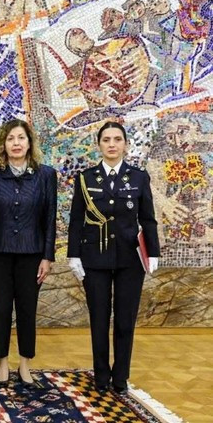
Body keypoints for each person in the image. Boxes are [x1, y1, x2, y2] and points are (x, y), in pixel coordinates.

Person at [67, 121, 160, 395]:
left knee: (124, 320)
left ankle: (120, 377)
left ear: (125, 144)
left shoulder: (138, 177)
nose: (111, 144)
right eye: (106, 139)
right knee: (99, 319)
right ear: (98, 145)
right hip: (94, 258)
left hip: (130, 260)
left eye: (117, 139)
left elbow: (148, 218)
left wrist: (153, 251)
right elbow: (76, 220)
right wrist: (74, 255)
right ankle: (101, 375)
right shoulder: (86, 178)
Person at [0, 119, 57, 387]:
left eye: (21, 138)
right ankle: (2, 363)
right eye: (10, 139)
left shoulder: (45, 175)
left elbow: (50, 218)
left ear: (30, 143)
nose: (16, 143)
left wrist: (47, 256)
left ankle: (24, 364)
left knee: (26, 310)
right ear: (3, 144)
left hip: (32, 254)